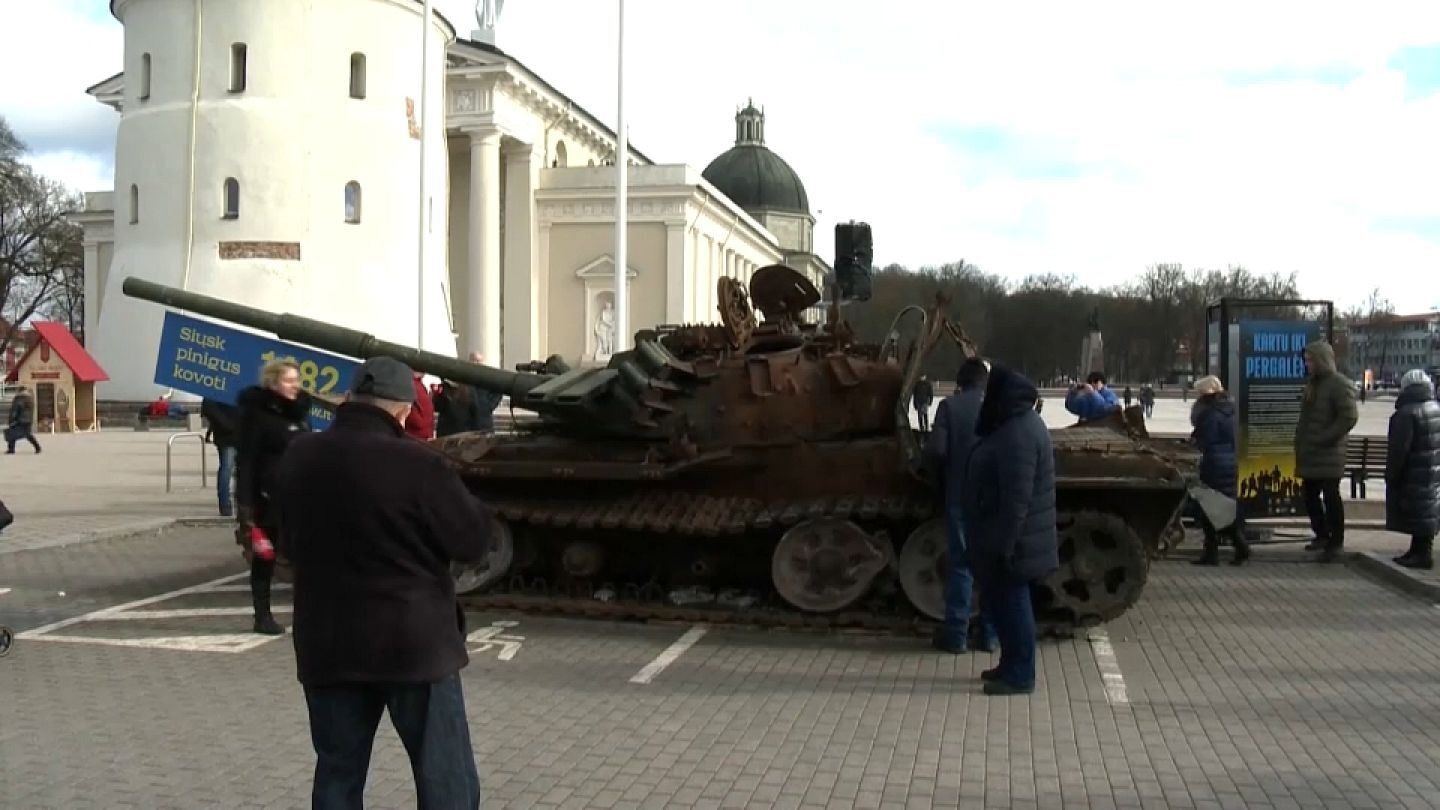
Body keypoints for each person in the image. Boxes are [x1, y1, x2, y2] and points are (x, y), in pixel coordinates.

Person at [272, 356, 489, 809]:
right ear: (403, 411)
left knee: (338, 775)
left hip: (328, 641)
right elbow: (472, 542)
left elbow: (286, 541)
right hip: (414, 645)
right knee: (444, 778)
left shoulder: (300, 456)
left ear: (350, 400)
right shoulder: (420, 465)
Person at [962, 363, 1058, 696]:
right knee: (1004, 604)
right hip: (1009, 534)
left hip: (1014, 539)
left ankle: (1020, 674)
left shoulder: (1018, 433)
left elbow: (1017, 497)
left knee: (1014, 604)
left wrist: (1005, 543)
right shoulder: (1016, 425)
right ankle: (1012, 663)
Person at [922, 357, 998, 654]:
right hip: (993, 500)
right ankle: (990, 636)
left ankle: (956, 636)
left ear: (960, 382)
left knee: (962, 566)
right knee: (991, 567)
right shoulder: (998, 409)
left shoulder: (950, 407)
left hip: (960, 496)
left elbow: (937, 450)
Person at [237, 359, 313, 635]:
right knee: (265, 559)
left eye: (297, 380)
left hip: (300, 497)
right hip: (268, 499)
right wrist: (245, 505)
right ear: (273, 383)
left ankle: (307, 612)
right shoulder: (257, 415)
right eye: (289, 380)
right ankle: (262, 615)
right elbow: (246, 461)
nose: (295, 386)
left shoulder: (301, 413)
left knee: (304, 557)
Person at [1294, 340, 1358, 562]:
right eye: (1306, 360)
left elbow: (1349, 417)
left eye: (1310, 360)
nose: (1307, 365)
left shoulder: (1339, 384)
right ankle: (1321, 534)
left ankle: (1336, 541)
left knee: (1331, 495)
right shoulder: (1314, 384)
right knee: (1310, 495)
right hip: (1313, 451)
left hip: (1329, 452)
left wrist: (1325, 438)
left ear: (1321, 361)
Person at [1188, 376, 1249, 566]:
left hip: (1214, 463)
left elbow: (1206, 439)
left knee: (1210, 509)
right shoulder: (1226, 410)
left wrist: (1194, 442)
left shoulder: (1210, 413)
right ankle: (1226, 549)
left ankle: (1233, 548)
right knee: (1216, 508)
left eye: (1199, 393)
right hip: (1226, 462)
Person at [1386, 369, 1440, 570]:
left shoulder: (1406, 413)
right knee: (1426, 512)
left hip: (1413, 470)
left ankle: (1421, 555)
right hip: (1432, 470)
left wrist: (1392, 474)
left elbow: (1399, 449)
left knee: (1419, 510)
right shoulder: (1435, 408)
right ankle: (1418, 550)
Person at [201, 397, 241, 517]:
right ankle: (225, 505)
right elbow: (208, 407)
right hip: (227, 435)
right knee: (227, 468)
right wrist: (228, 425)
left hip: (239, 433)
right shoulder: (219, 388)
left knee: (237, 469)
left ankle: (236, 505)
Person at [5, 385, 40, 454]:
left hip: (19, 419)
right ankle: (37, 447)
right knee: (27, 434)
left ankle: (11, 449)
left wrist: (11, 419)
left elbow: (15, 409)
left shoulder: (19, 398)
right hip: (28, 420)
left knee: (11, 433)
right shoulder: (30, 398)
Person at [403, 371, 435, 441]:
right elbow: (408, 407)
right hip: (416, 435)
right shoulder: (410, 384)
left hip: (422, 435)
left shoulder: (420, 385)